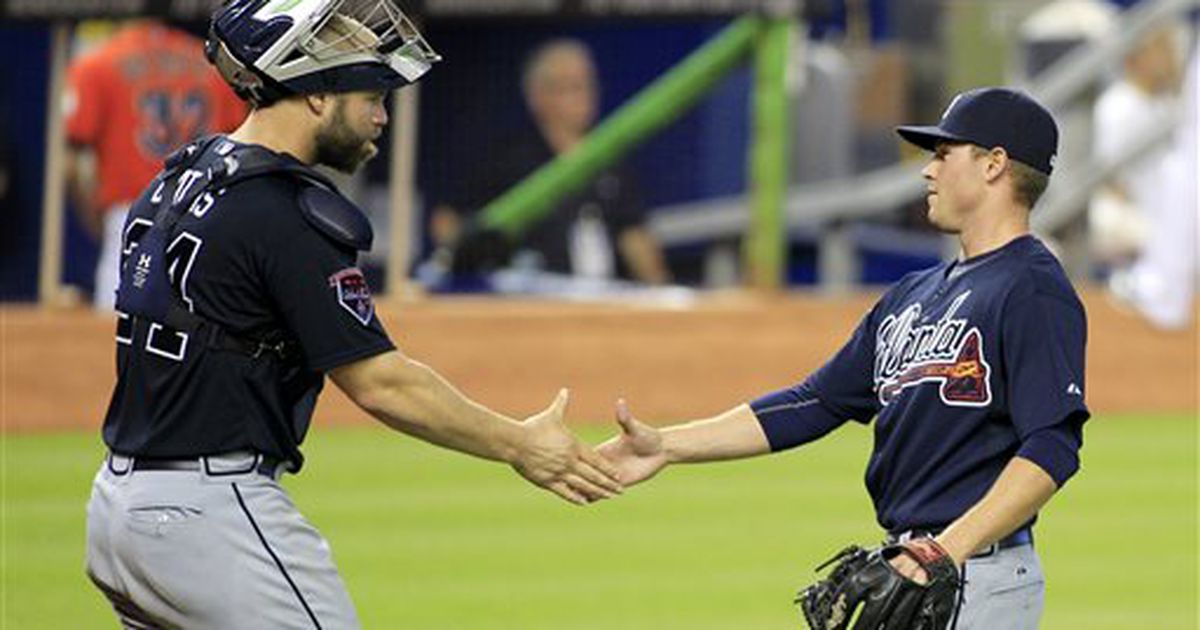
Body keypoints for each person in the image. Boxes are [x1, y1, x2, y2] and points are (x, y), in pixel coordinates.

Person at [84, 2, 621, 628]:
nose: (382, 115)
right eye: (370, 93)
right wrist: (522, 445)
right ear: (315, 95)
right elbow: (382, 384)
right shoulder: (284, 212)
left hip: (117, 507)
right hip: (208, 513)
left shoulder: (182, 176)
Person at [599, 88, 1089, 628]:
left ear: (994, 164)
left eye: (944, 153)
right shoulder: (912, 295)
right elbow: (815, 401)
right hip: (920, 566)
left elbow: (1052, 446)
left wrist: (943, 551)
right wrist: (667, 446)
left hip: (976, 571)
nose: (928, 171)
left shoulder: (1031, 290)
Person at [431, 39, 671, 284]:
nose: (583, 96)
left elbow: (634, 235)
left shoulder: (609, 158)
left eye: (586, 84)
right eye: (569, 86)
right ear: (538, 96)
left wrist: (661, 292)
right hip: (532, 298)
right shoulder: (508, 159)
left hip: (605, 299)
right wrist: (466, 267)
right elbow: (447, 219)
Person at [64, 18, 248, 310]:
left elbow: (71, 163)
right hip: (206, 214)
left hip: (130, 214)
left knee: (117, 328)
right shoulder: (215, 67)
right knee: (199, 325)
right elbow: (244, 149)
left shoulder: (97, 63)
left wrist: (96, 218)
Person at [1107, 40, 1198, 330]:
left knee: (1188, 159)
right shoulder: (1121, 104)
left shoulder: (1160, 101)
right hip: (1138, 212)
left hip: (1157, 219)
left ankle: (1163, 287)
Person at [1088, 25, 1182, 270]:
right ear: (1135, 57)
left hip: (1168, 210)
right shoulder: (1118, 105)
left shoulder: (1169, 103)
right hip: (1133, 213)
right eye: (1161, 49)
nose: (1171, 56)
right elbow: (1113, 183)